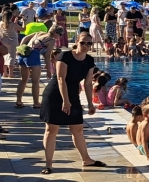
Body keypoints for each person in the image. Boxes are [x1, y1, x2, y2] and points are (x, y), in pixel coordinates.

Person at [40, 30, 107, 174]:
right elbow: (60, 79)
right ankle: (48, 164)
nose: (85, 45)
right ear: (76, 42)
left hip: (73, 94)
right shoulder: (65, 56)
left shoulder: (89, 60)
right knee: (52, 129)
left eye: (89, 43)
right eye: (83, 42)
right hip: (55, 94)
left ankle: (86, 159)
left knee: (77, 129)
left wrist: (90, 103)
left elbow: (88, 84)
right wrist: (65, 101)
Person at [15, 25, 60, 110]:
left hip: (23, 54)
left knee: (23, 80)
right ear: (56, 33)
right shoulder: (51, 40)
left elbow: (25, 39)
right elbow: (47, 55)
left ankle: (18, 101)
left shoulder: (40, 33)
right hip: (33, 56)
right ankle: (36, 103)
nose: (60, 37)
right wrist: (48, 71)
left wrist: (20, 48)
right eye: (60, 34)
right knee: (35, 81)